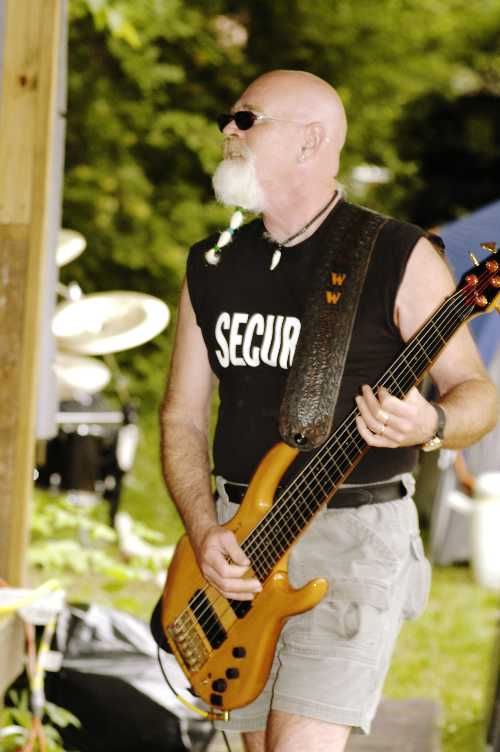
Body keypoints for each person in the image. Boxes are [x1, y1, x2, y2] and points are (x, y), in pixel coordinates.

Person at [159, 69, 498, 752]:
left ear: (310, 141)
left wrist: (431, 424)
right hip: (233, 544)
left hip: (352, 542)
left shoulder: (398, 253)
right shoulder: (214, 264)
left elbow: (476, 392)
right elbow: (181, 418)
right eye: (229, 118)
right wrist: (202, 530)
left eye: (246, 119)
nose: (227, 130)